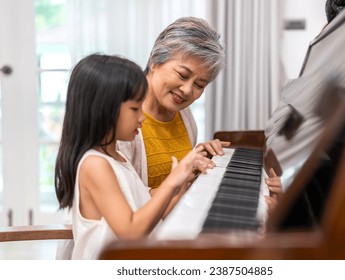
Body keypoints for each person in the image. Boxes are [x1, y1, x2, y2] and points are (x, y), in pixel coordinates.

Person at [54, 53, 214, 259]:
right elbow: (131, 232)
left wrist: (182, 185)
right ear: (104, 109)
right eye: (135, 109)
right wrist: (173, 181)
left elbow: (155, 217)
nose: (141, 118)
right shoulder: (95, 165)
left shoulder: (119, 160)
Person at [117, 16, 230, 191]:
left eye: (199, 85)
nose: (187, 90)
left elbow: (179, 181)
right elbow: (125, 201)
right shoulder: (121, 115)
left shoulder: (184, 115)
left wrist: (197, 161)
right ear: (155, 61)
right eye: (183, 75)